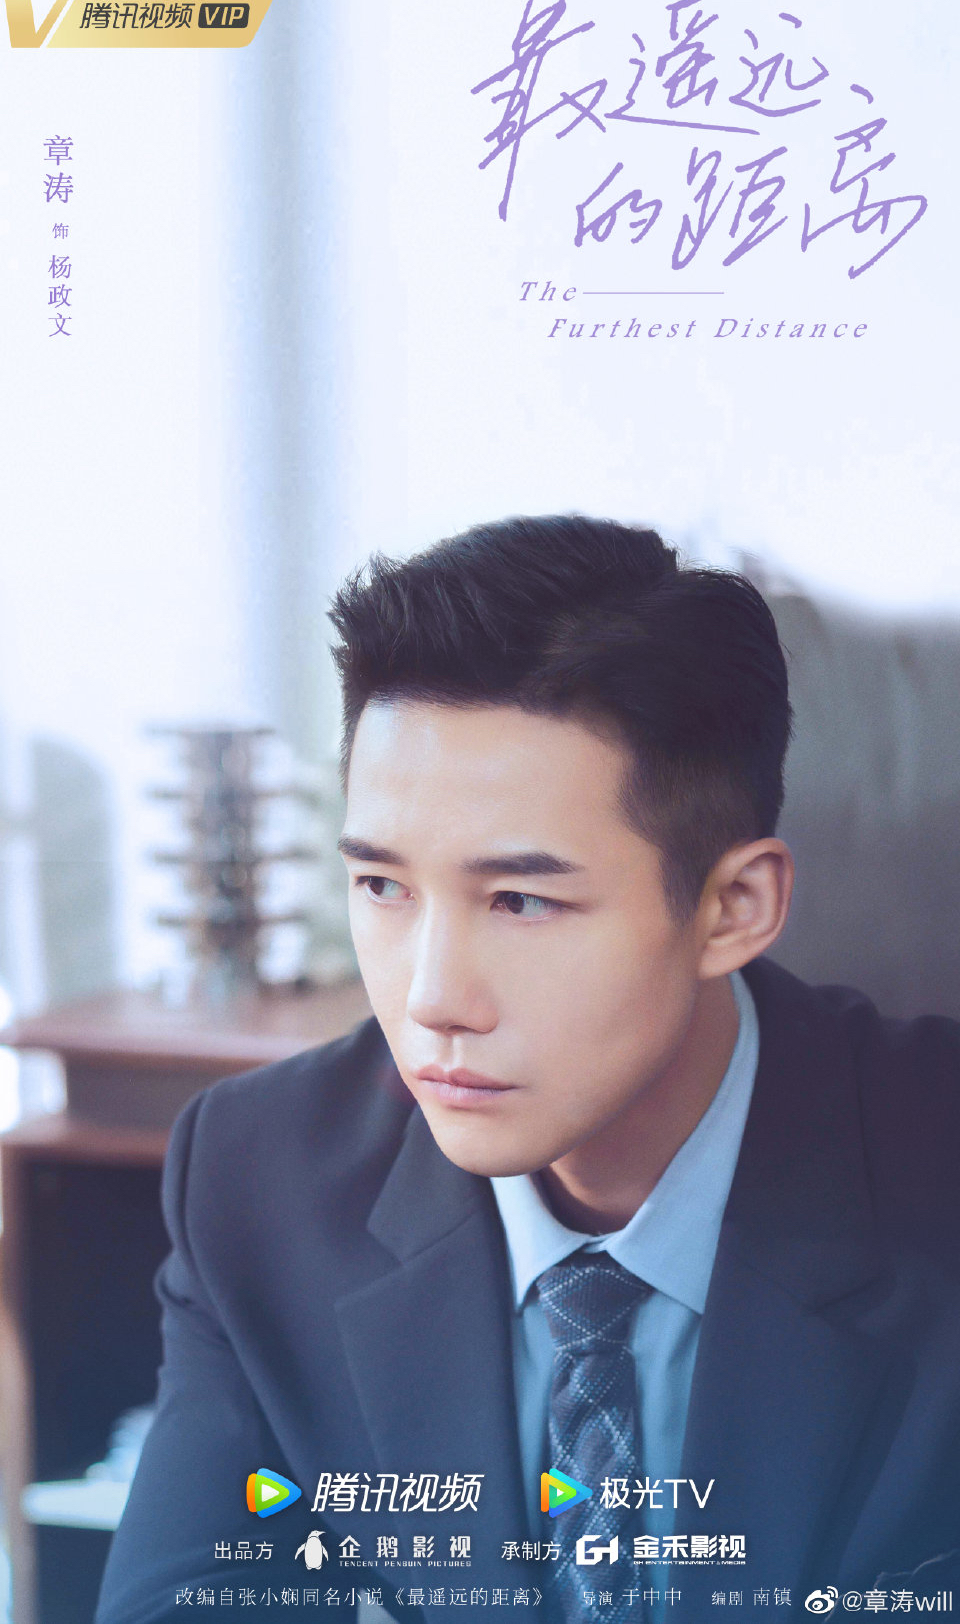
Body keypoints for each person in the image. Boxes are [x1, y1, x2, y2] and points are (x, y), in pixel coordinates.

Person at [97, 516, 960, 1624]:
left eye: (521, 900)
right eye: (383, 886)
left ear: (734, 907)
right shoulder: (259, 1177)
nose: (432, 998)